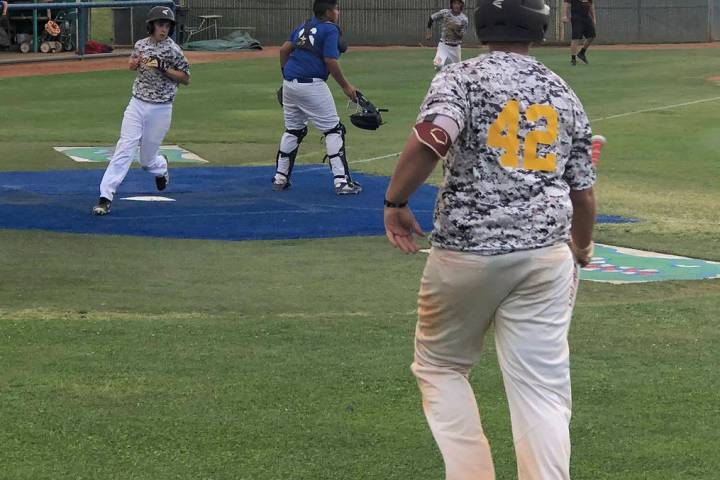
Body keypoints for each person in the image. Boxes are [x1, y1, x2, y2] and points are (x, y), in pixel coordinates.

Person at [383, 0, 597, 479]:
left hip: (467, 250)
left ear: (481, 24)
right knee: (541, 391)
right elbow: (583, 195)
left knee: (441, 367)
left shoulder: (462, 77)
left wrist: (396, 202)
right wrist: (581, 249)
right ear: (539, 28)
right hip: (546, 253)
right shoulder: (561, 90)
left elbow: (431, 138)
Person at [92, 6, 190, 215]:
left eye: (166, 25)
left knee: (147, 161)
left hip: (161, 108)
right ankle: (105, 196)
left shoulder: (174, 50)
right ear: (151, 25)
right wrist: (135, 62)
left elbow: (186, 78)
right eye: (159, 24)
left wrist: (164, 68)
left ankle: (161, 168)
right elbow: (131, 63)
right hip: (137, 104)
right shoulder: (141, 45)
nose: (163, 29)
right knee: (124, 148)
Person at [272, 0, 361, 195]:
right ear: (328, 12)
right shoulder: (330, 30)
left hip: (290, 84)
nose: (337, 12)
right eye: (336, 8)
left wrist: (286, 74)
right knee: (334, 130)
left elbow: (283, 50)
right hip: (312, 85)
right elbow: (330, 59)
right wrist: (346, 86)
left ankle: (280, 178)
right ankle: (342, 182)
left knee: (293, 130)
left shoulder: (303, 26)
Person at [425, 0, 469, 71]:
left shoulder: (464, 19)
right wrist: (428, 31)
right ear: (451, 4)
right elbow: (432, 18)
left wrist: (454, 29)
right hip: (443, 45)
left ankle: (447, 71)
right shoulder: (445, 12)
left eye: (458, 3)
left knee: (457, 71)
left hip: (455, 48)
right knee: (438, 65)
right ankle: (445, 68)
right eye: (454, 3)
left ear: (462, 5)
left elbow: (461, 36)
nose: (456, 5)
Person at [563, 0, 596, 65]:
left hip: (586, 17)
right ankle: (573, 59)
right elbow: (565, 4)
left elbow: (591, 5)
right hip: (576, 17)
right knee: (575, 38)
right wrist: (564, 16)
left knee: (592, 36)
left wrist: (594, 18)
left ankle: (581, 53)